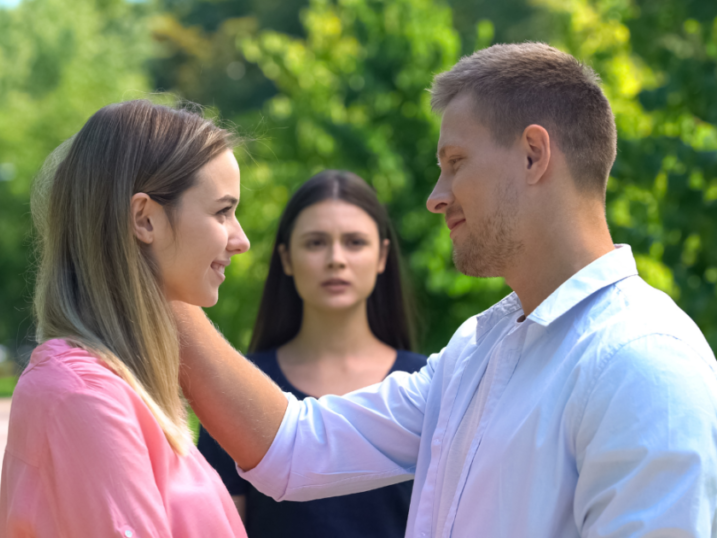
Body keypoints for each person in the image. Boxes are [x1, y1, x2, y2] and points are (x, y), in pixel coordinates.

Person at [173, 42, 717, 538]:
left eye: (455, 163)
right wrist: (154, 277)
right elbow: (296, 447)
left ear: (533, 154)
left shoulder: (643, 362)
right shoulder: (477, 351)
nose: (437, 196)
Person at [0, 100, 251, 537]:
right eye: (222, 212)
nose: (240, 239)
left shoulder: (116, 385)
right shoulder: (84, 394)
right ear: (144, 218)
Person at [197, 170, 427, 538]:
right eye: (316, 243)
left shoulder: (430, 384)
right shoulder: (234, 388)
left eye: (354, 242)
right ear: (286, 258)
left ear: (382, 256)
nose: (336, 259)